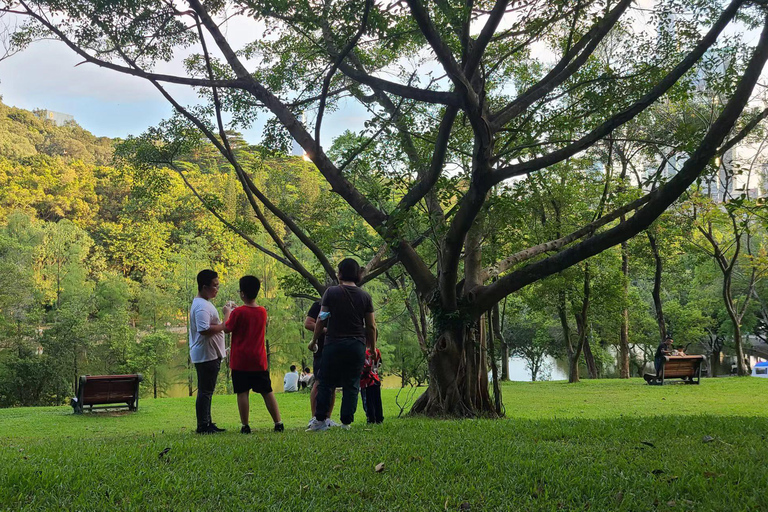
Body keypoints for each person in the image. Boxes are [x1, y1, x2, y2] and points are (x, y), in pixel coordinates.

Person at [307, 258, 376, 432]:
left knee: (326, 381)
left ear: (339, 274)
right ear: (357, 275)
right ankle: (346, 422)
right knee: (351, 383)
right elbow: (371, 326)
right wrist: (372, 348)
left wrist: (314, 340)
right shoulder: (365, 296)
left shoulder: (331, 292)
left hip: (333, 343)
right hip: (356, 344)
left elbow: (322, 319)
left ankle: (320, 420)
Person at [223, 276, 283, 434]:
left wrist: (227, 312)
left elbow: (227, 328)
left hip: (240, 361)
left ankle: (245, 425)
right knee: (267, 391)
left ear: (242, 293)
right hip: (258, 360)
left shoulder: (238, 313)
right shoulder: (262, 311)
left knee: (242, 392)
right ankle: (278, 422)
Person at [189, 269, 229, 434]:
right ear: (204, 287)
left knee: (207, 391)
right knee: (205, 391)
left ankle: (208, 422)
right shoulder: (201, 306)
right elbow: (204, 329)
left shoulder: (204, 303)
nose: (217, 289)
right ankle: (203, 426)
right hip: (206, 355)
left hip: (210, 354)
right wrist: (226, 317)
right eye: (214, 286)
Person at [304, 301, 336, 424]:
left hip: (337, 347)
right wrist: (326, 330)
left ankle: (327, 418)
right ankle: (315, 418)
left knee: (332, 384)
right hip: (322, 349)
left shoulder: (342, 303)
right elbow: (308, 324)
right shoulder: (319, 304)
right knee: (318, 382)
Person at [360, 346, 383, 424]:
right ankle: (379, 419)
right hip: (375, 379)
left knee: (367, 401)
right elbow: (379, 363)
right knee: (377, 400)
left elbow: (364, 367)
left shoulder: (362, 351)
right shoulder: (376, 350)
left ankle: (371, 419)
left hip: (366, 381)